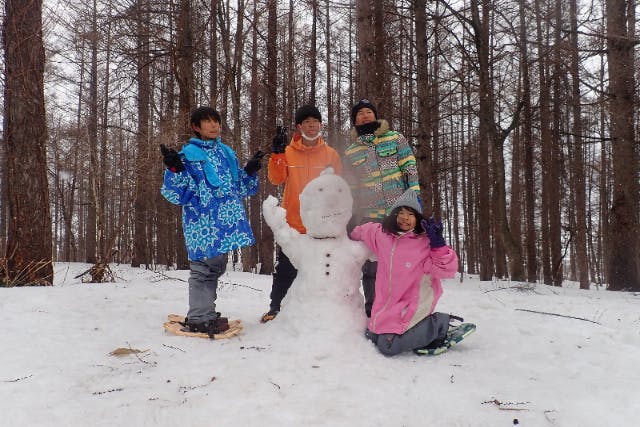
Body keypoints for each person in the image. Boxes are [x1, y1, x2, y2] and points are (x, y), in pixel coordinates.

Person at [160, 106, 264, 338]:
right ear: (196, 127)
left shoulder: (226, 153)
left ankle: (205, 311)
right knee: (203, 268)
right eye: (207, 122)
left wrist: (250, 170)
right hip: (202, 221)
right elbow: (176, 193)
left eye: (216, 121)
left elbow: (239, 187)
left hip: (225, 221)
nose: (214, 125)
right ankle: (199, 317)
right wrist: (175, 169)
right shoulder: (187, 156)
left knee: (216, 266)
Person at [350, 189, 470, 356]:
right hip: (387, 305)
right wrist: (344, 231)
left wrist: (438, 245)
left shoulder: (424, 243)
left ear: (418, 219)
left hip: (412, 304)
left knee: (387, 346)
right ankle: (412, 330)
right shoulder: (382, 234)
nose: (404, 217)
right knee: (373, 336)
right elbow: (361, 231)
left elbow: (447, 270)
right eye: (401, 212)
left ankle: (438, 324)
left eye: (410, 214)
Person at [260, 105, 343, 323]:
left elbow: (339, 187)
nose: (312, 125)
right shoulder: (287, 152)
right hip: (294, 223)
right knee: (286, 269)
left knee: (322, 271)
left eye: (316, 121)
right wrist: (277, 154)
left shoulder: (331, 154)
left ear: (321, 125)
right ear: (299, 126)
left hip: (322, 226)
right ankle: (276, 308)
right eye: (307, 122)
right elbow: (276, 179)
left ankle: (323, 312)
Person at [344, 99, 421, 317]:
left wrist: (414, 201)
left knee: (403, 264)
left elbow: (410, 168)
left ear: (376, 116)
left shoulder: (395, 138)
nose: (365, 116)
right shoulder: (351, 152)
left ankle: (405, 309)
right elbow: (352, 186)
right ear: (355, 120)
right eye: (360, 113)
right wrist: (351, 214)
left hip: (400, 213)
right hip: (371, 216)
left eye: (369, 112)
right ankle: (373, 310)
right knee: (372, 267)